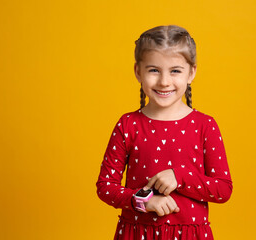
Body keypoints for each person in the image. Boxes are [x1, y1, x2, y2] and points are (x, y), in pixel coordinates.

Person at [96, 24, 233, 240]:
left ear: (192, 72)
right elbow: (105, 186)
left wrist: (180, 177)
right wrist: (143, 201)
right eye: (154, 70)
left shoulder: (205, 125)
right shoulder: (128, 124)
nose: (164, 81)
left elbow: (223, 189)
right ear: (138, 71)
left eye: (175, 71)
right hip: (137, 233)